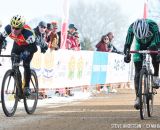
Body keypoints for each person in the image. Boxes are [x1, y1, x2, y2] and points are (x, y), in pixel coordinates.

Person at [123, 18, 160, 109]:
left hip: (152, 42)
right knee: (137, 71)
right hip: (139, 44)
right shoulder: (131, 28)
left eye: (144, 35)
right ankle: (138, 98)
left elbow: (158, 42)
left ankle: (155, 76)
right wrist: (127, 54)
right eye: (140, 36)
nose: (143, 37)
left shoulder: (153, 26)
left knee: (155, 55)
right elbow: (127, 44)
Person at [0, 15, 37, 96]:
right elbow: (0, 40)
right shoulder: (8, 29)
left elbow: (34, 48)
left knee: (26, 64)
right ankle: (19, 90)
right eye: (13, 27)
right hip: (17, 45)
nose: (14, 30)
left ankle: (26, 86)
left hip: (29, 47)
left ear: (22, 27)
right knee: (14, 66)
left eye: (17, 28)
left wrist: (25, 54)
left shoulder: (28, 33)